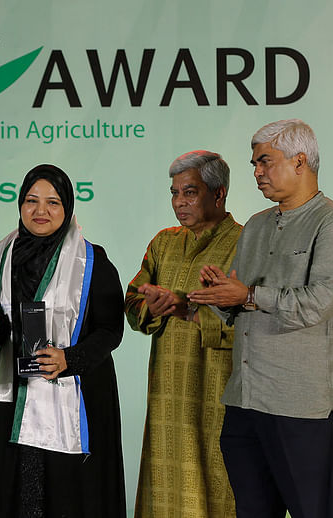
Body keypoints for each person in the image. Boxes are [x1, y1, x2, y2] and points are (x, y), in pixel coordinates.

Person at [188, 120, 333, 518]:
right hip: (246, 400)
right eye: (254, 164)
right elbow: (241, 303)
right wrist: (220, 295)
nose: (256, 172)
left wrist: (247, 295)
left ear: (300, 161)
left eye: (265, 162)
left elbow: (320, 303)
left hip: (304, 406)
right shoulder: (255, 226)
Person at [0, 164, 127, 518]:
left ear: (68, 207)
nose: (40, 211)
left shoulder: (93, 261)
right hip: (13, 400)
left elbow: (110, 330)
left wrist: (69, 359)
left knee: (70, 498)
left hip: (76, 396)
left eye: (53, 202)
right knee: (16, 495)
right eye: (31, 200)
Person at [124, 150, 241, 517]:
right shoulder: (164, 243)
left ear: (218, 194)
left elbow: (258, 320)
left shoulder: (247, 242)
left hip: (221, 394)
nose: (179, 203)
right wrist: (152, 308)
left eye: (189, 193)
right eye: (174, 193)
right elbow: (131, 300)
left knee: (224, 486)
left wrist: (189, 310)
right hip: (167, 398)